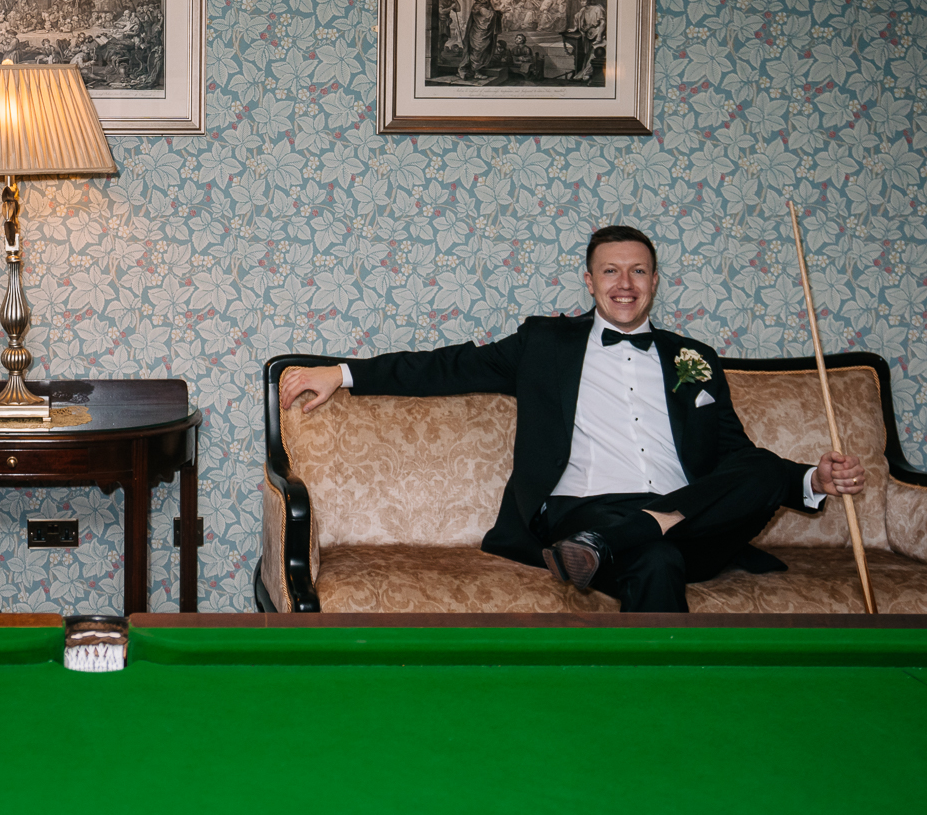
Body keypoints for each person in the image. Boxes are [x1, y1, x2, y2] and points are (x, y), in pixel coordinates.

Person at [279, 226, 866, 612]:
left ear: (655, 282)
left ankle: (618, 539)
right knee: (657, 562)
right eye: (611, 271)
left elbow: (734, 457)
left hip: (683, 518)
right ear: (590, 282)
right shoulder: (546, 345)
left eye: (638, 271)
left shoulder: (695, 359)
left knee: (762, 470)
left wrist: (813, 479)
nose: (625, 284)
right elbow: (448, 367)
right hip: (584, 508)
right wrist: (344, 372)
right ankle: (663, 715)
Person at [460, 0, 500, 79]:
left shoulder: (482, 6)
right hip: (478, 33)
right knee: (477, 51)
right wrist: (497, 12)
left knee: (481, 51)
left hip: (482, 32)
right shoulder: (479, 7)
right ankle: (476, 72)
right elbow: (489, 15)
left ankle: (478, 69)